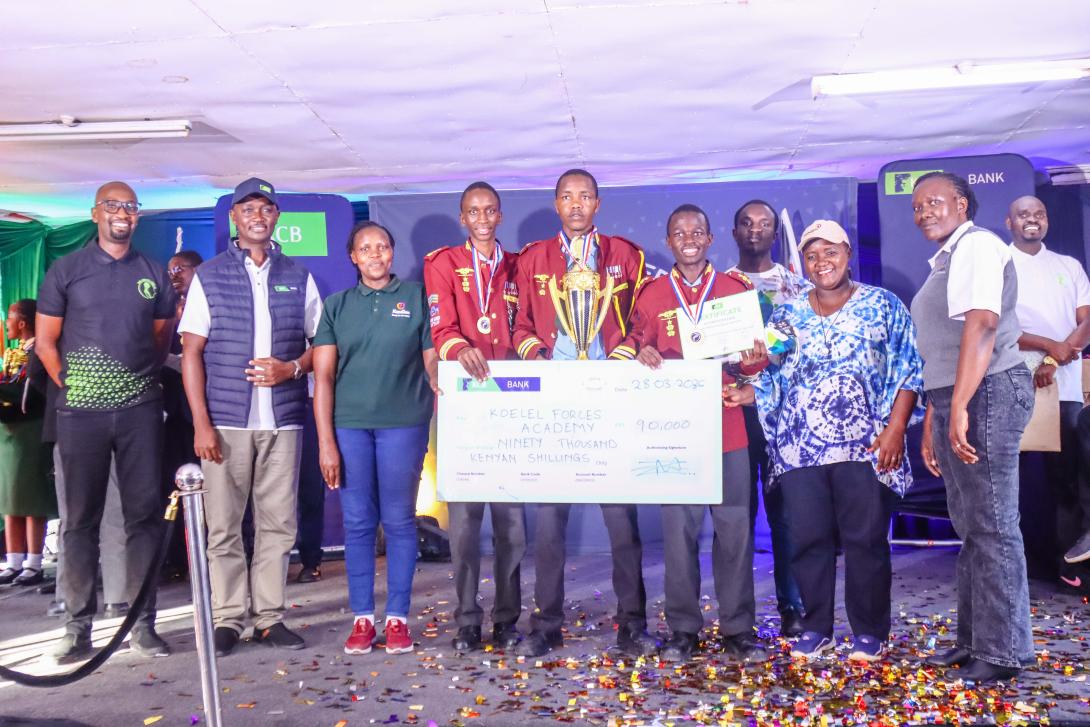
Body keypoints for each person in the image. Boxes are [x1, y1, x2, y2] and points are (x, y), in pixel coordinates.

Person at [741, 219, 922, 662]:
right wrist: (749, 381)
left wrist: (896, 428)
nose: (821, 263)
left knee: (865, 541)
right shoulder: (787, 314)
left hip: (866, 445)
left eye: (831, 253)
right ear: (803, 261)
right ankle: (815, 627)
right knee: (808, 539)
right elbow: (772, 375)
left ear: (848, 254)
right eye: (812, 255)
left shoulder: (883, 305)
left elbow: (908, 368)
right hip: (800, 448)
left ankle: (869, 632)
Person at [511, 168, 656, 658]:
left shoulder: (626, 255)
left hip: (610, 399)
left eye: (585, 196)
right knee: (549, 524)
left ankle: (632, 623)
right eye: (567, 197)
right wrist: (539, 361)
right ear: (556, 204)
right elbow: (521, 325)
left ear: (598, 203)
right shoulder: (533, 258)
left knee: (622, 523)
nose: (576, 204)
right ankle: (546, 624)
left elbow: (644, 319)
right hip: (556, 402)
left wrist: (620, 358)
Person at [35, 181, 176, 663]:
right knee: (79, 521)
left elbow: (159, 339)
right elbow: (46, 340)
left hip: (139, 411)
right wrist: (70, 386)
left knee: (142, 517)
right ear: (96, 213)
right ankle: (77, 628)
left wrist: (131, 383)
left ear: (137, 217)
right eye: (113, 206)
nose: (123, 213)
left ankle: (143, 624)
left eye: (131, 207)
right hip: (80, 415)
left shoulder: (152, 273)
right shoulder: (67, 269)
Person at [180, 178, 321, 657]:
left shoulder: (298, 275)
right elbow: (192, 353)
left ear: (277, 217)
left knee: (278, 524)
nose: (258, 216)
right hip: (225, 421)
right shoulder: (211, 276)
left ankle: (269, 618)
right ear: (234, 218)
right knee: (223, 525)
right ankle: (227, 619)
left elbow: (320, 347)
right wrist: (201, 423)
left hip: (283, 421)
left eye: (266, 208)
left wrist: (293, 368)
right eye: (248, 209)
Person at [622, 204, 769, 662]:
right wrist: (640, 352)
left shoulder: (734, 288)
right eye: (679, 232)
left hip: (727, 427)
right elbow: (632, 342)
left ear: (709, 239)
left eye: (697, 231)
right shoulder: (649, 294)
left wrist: (754, 356)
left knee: (735, 532)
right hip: (675, 433)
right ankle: (683, 628)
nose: (688, 238)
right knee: (678, 535)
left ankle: (738, 629)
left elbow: (753, 364)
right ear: (669, 242)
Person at [910, 172, 1035, 683]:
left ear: (962, 204)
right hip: (958, 397)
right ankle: (974, 640)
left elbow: (982, 324)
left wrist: (959, 404)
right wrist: (939, 410)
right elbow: (944, 347)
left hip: (988, 393)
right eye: (917, 207)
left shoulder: (978, 246)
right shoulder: (948, 257)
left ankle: (1004, 652)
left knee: (993, 526)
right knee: (972, 528)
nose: (923, 213)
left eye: (934, 202)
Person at [313, 221, 437, 656]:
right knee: (359, 522)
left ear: (392, 252)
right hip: (349, 427)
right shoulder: (337, 306)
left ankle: (398, 619)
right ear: (353, 256)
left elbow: (431, 360)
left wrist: (446, 384)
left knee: (400, 521)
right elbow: (323, 378)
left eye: (382, 247)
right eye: (365, 248)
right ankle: (363, 618)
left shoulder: (416, 298)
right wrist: (326, 441)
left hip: (403, 423)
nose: (375, 254)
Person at [423, 182, 525, 652]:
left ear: (499, 216)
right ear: (462, 218)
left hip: (509, 406)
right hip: (463, 407)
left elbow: (525, 325)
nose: (482, 218)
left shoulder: (519, 265)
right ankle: (467, 618)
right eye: (473, 211)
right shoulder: (442, 263)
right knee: (463, 525)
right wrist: (460, 348)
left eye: (489, 210)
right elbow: (441, 325)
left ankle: (506, 617)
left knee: (510, 522)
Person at [726, 199, 808, 637]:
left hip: (785, 416)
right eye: (746, 223)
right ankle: (737, 616)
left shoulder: (798, 287)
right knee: (737, 517)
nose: (755, 230)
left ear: (775, 233)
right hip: (737, 410)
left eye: (764, 224)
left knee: (787, 516)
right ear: (734, 231)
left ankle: (793, 607)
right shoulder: (719, 287)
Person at [1004, 196, 1090, 577]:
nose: (1032, 220)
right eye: (1024, 215)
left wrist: (1055, 358)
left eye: (1039, 213)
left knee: (1066, 481)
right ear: (1010, 222)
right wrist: (1045, 348)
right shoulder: (999, 266)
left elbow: (1085, 321)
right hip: (1012, 385)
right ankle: (1018, 565)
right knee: (1016, 484)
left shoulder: (1068, 266)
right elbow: (997, 327)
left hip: (1065, 389)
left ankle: (1066, 565)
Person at [0, 300, 54, 587]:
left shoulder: (38, 351)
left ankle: (33, 562)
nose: (6, 324)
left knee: (31, 497)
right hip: (9, 433)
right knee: (10, 496)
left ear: (22, 323)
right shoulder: (14, 353)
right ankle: (13, 560)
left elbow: (31, 392)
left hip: (31, 429)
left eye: (9, 318)